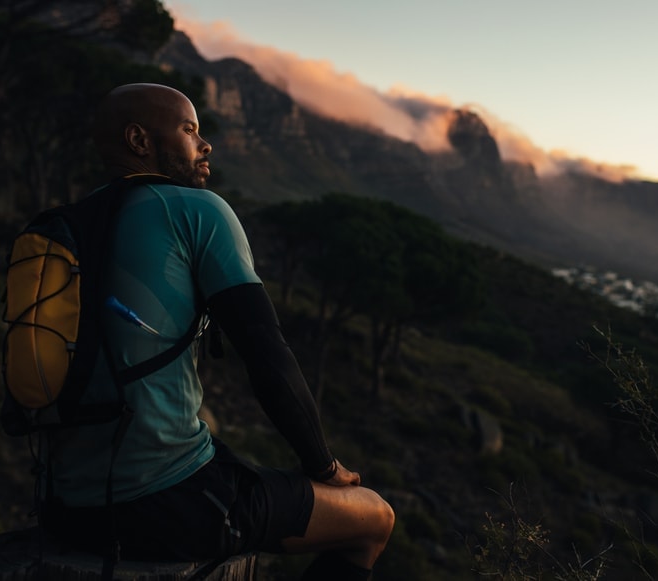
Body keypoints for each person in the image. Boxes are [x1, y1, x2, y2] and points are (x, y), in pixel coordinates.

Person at [41, 83, 394, 580]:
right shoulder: (197, 210)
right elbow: (267, 354)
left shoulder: (71, 222)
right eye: (189, 130)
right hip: (160, 501)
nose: (205, 145)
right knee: (375, 518)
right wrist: (324, 467)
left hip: (62, 505)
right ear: (139, 140)